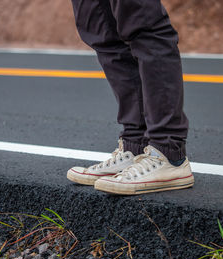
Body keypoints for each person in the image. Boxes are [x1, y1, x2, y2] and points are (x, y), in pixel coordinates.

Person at [66, 0, 194, 195]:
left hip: (169, 150)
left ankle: (169, 153)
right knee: (100, 28)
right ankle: (136, 145)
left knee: (141, 19)